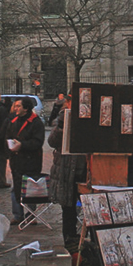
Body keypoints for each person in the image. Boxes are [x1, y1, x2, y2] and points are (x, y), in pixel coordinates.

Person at [47, 95, 87, 249]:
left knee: (84, 205)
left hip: (83, 168)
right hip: (66, 169)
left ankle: (83, 237)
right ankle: (70, 240)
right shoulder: (62, 118)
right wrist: (62, 127)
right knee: (68, 208)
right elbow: (52, 141)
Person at [6, 97, 45, 225]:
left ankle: (30, 215)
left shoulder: (36, 122)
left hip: (31, 160)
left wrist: (22, 145)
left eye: (18, 106)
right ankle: (17, 215)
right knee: (15, 188)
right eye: (15, 106)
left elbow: (38, 142)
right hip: (16, 160)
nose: (15, 108)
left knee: (30, 187)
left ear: (26, 108)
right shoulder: (13, 120)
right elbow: (7, 135)